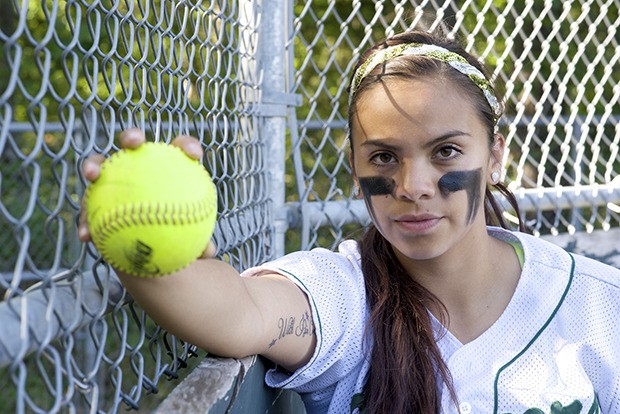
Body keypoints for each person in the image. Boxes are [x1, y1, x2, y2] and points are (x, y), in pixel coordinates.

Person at [78, 30, 620, 414]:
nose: (413, 186)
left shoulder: (600, 307)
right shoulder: (346, 294)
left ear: (494, 154)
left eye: (447, 152)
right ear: (355, 167)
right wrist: (138, 242)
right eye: (384, 157)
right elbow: (239, 316)